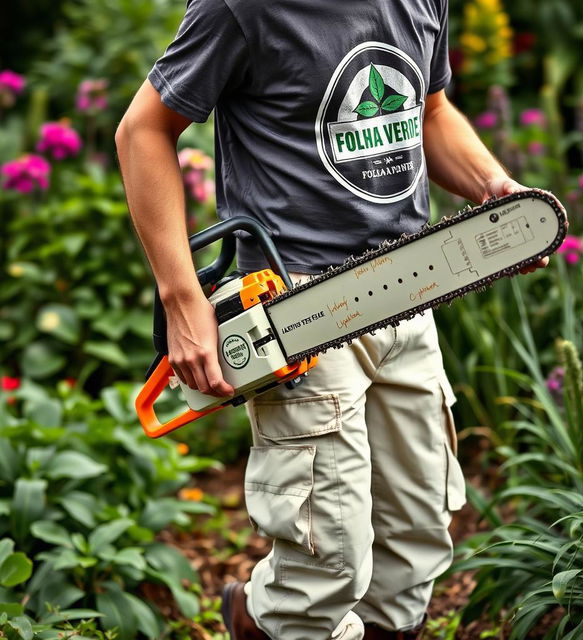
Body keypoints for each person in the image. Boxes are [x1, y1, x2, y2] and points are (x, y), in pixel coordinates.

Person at [116, 1, 547, 638]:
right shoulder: (243, 8)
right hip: (295, 309)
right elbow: (142, 131)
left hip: (407, 289)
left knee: (414, 548)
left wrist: (493, 186)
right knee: (326, 562)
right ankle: (261, 619)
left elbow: (428, 111)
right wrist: (184, 303)